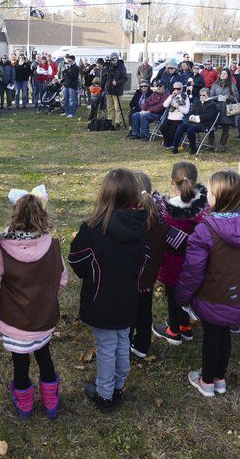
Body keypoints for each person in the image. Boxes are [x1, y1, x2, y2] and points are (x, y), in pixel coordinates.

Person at [68, 168, 150, 413]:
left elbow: (75, 260)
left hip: (101, 300)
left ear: (104, 194)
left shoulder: (92, 228)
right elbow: (144, 259)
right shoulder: (140, 225)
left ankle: (106, 394)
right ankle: (118, 385)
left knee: (107, 345)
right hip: (127, 298)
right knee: (121, 341)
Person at [0, 191, 67, 419]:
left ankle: (25, 405)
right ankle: (50, 402)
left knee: (20, 362)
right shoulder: (53, 247)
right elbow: (63, 279)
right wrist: (47, 297)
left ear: (14, 216)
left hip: (14, 321)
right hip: (44, 319)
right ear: (43, 217)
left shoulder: (2, 250)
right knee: (44, 356)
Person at [175, 170, 240, 397]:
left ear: (217, 196)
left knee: (213, 337)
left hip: (213, 296)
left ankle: (207, 381)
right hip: (239, 295)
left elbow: (193, 270)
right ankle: (219, 378)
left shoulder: (205, 229)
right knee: (224, 335)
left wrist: (182, 297)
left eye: (210, 192)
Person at [152, 161, 209, 345]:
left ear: (172, 182)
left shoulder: (168, 211)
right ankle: (185, 326)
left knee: (173, 295)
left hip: (173, 262)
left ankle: (173, 329)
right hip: (196, 262)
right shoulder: (204, 207)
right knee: (188, 292)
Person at [129, 172, 167, 359]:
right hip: (149, 275)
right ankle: (143, 344)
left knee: (128, 312)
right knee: (144, 310)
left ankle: (126, 343)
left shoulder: (128, 218)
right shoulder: (162, 214)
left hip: (130, 276)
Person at [172, 88, 217, 154]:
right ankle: (175, 147)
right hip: (193, 122)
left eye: (203, 95)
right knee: (181, 126)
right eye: (200, 95)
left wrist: (196, 118)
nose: (201, 97)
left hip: (204, 124)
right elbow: (193, 111)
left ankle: (193, 148)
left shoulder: (212, 104)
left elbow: (208, 116)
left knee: (190, 130)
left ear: (208, 95)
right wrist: (191, 116)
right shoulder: (198, 102)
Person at [209, 67, 239, 152]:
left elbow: (237, 97)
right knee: (212, 127)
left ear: (228, 75)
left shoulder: (232, 85)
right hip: (216, 108)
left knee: (225, 128)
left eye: (225, 74)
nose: (223, 75)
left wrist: (230, 97)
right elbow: (211, 96)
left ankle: (222, 145)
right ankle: (210, 143)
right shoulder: (215, 84)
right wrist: (218, 97)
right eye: (222, 73)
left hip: (227, 109)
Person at [160, 82, 190, 148]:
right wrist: (171, 96)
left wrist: (178, 107)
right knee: (162, 128)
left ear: (182, 88)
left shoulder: (185, 97)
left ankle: (174, 143)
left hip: (179, 119)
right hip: (170, 118)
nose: (176, 90)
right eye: (175, 88)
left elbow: (186, 111)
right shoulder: (171, 96)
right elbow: (165, 105)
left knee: (173, 128)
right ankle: (168, 142)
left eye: (178, 88)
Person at [104, 52, 128, 129]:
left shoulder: (121, 66)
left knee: (117, 107)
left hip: (116, 90)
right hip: (108, 89)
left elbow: (125, 78)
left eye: (114, 59)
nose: (113, 61)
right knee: (109, 107)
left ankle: (118, 122)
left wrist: (117, 83)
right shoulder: (109, 66)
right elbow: (105, 76)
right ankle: (109, 121)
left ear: (117, 59)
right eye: (111, 59)